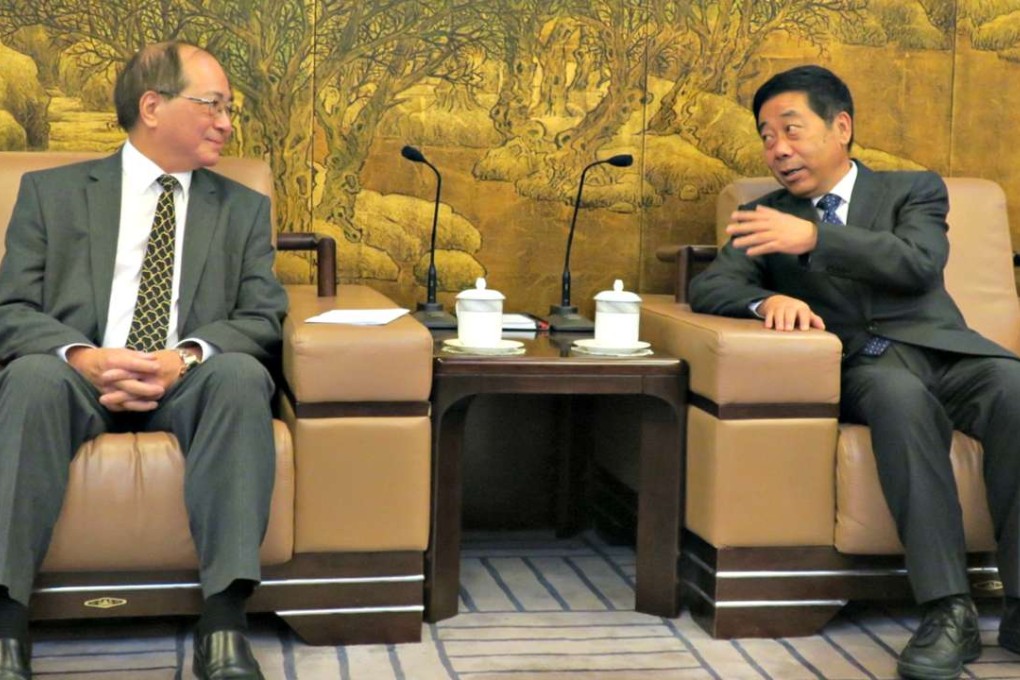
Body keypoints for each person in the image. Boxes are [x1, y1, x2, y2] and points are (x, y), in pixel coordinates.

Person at [689, 64, 1020, 680]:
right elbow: (714, 284)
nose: (778, 148)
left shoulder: (912, 190)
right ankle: (949, 609)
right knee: (900, 399)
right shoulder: (764, 213)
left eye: (792, 128)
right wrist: (767, 301)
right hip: (865, 365)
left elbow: (917, 263)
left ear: (840, 127)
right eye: (766, 135)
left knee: (1016, 388)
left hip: (948, 352)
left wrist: (813, 237)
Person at [0, 41, 287, 680]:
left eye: (230, 109)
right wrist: (84, 356)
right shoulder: (51, 195)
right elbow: (11, 309)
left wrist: (183, 357)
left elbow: (263, 318)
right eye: (212, 104)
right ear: (152, 106)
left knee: (242, 374)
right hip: (76, 379)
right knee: (29, 375)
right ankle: (6, 628)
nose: (226, 122)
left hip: (189, 382)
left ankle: (224, 626)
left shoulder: (242, 210)